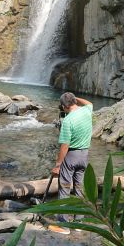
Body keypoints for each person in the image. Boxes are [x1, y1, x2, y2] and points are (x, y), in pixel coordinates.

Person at [49, 92, 93, 235]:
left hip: (71, 156)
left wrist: (58, 165)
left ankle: (64, 226)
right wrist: (74, 99)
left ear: (63, 106)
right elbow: (89, 103)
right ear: (75, 102)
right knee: (79, 189)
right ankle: (79, 223)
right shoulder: (87, 110)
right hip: (84, 155)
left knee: (65, 189)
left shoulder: (67, 121)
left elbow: (65, 146)